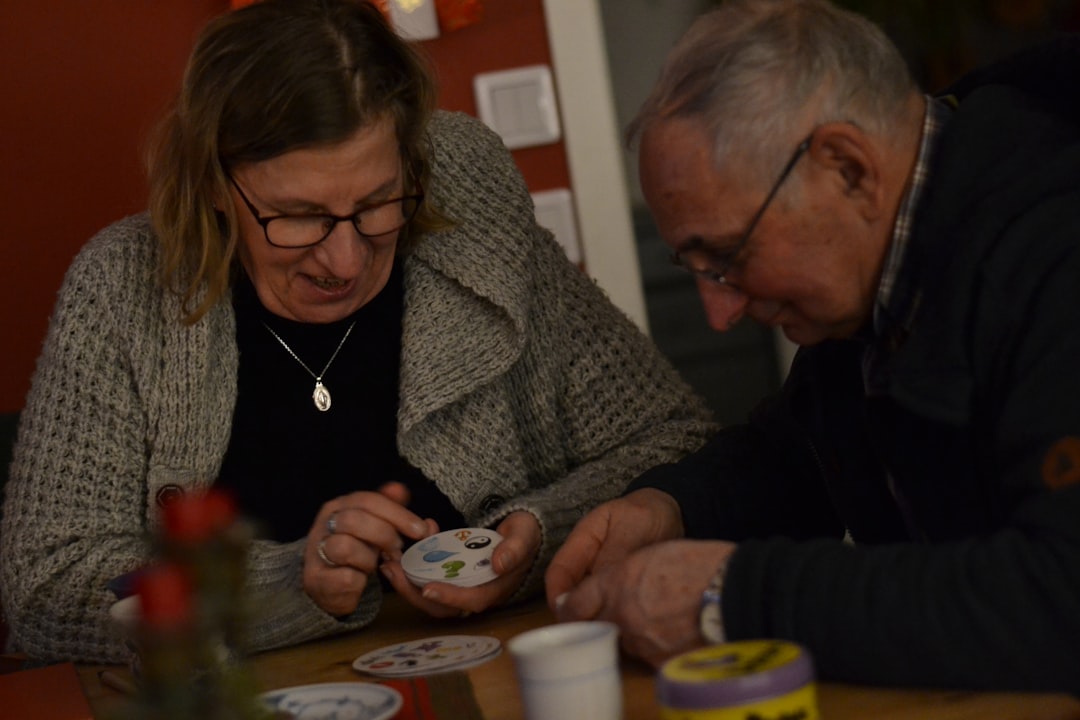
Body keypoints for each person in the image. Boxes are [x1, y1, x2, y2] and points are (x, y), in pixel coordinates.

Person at [0, 0, 715, 665]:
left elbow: (676, 444)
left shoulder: (478, 228)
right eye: (299, 215)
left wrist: (537, 535)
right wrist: (285, 584)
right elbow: (47, 591)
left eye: (377, 203)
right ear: (216, 185)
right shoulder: (121, 290)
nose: (344, 259)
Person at [546, 0, 1080, 694]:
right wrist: (671, 508)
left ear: (848, 169)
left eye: (728, 255)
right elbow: (798, 453)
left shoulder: (1053, 249)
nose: (719, 311)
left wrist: (730, 597)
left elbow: (1060, 601)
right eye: (695, 267)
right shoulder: (882, 269)